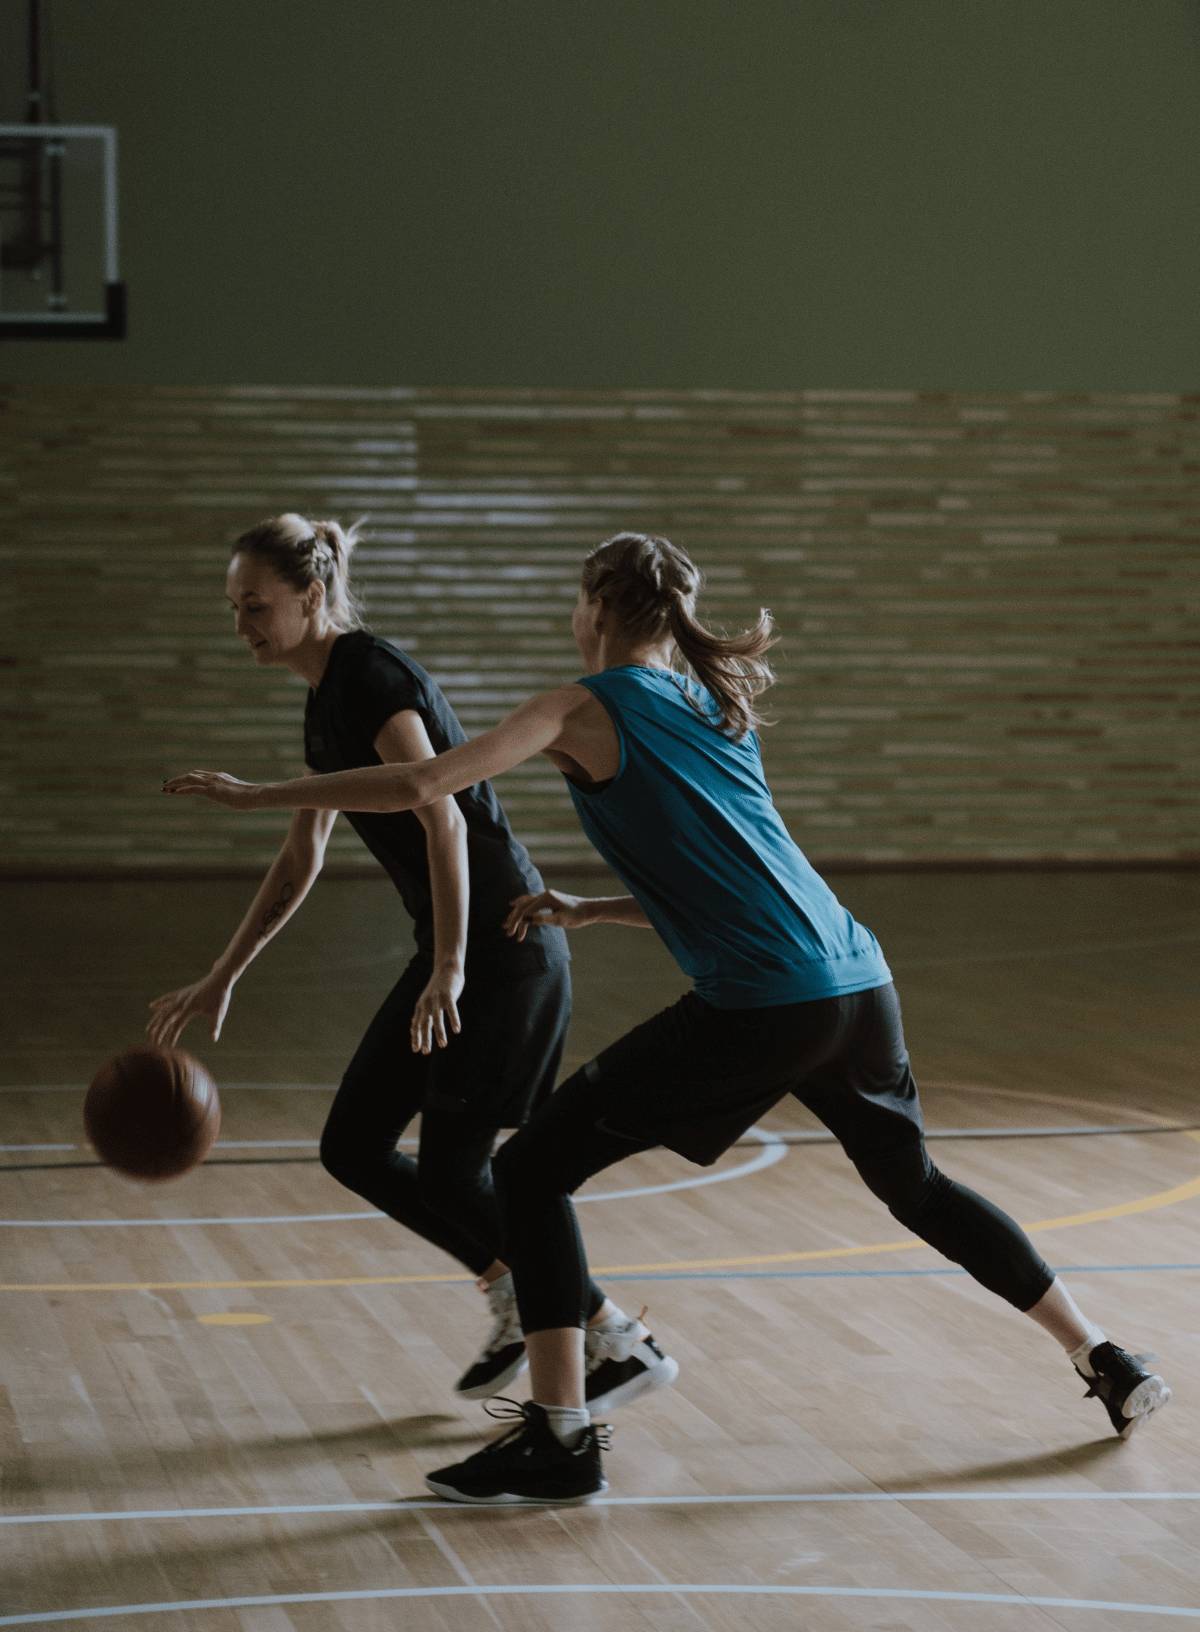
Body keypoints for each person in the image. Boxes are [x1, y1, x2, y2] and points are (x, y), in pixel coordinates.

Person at [164, 530, 1171, 1505]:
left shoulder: (576, 705)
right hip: (857, 983)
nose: (570, 618)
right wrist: (594, 907)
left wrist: (258, 795)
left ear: (597, 611)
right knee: (918, 1186)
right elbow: (742, 874)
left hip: (764, 1006)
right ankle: (1104, 1355)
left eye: (574, 601)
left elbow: (427, 782)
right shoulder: (707, 699)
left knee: (526, 1169)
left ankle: (560, 1435)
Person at [150, 514, 663, 1409]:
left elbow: (443, 812)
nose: (241, 625)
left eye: (256, 605)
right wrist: (226, 970)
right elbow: (303, 854)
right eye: (233, 608)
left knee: (457, 1171)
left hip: (504, 947)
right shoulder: (323, 698)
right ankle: (518, 1290)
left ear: (311, 598)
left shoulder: (373, 676)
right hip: (457, 950)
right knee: (352, 1145)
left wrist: (454, 963)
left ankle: (613, 1337)